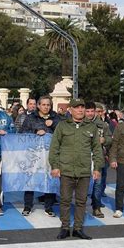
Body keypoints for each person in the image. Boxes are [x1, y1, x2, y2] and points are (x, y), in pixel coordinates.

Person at [50, 98, 103, 240]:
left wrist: (97, 168)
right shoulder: (62, 126)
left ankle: (78, 228)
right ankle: (65, 227)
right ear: (70, 110)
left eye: (82, 107)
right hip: (66, 170)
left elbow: (97, 150)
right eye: (77, 107)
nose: (80, 110)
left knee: (81, 201)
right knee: (65, 200)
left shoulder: (91, 127)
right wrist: (55, 166)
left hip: (84, 171)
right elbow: (54, 148)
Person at [19, 96, 60, 217]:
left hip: (50, 155)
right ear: (38, 105)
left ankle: (49, 206)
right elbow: (22, 134)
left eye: (48, 105)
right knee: (30, 180)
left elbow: (63, 132)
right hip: (34, 155)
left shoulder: (56, 118)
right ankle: (27, 206)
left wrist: (53, 125)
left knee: (50, 180)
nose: (46, 107)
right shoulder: (31, 118)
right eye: (43, 105)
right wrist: (35, 133)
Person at [85, 102, 112, 218]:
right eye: (88, 111)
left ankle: (96, 207)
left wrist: (104, 140)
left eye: (92, 111)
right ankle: (79, 206)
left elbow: (110, 139)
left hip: (97, 157)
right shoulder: (79, 123)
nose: (90, 113)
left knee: (98, 183)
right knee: (81, 183)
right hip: (83, 157)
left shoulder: (103, 125)